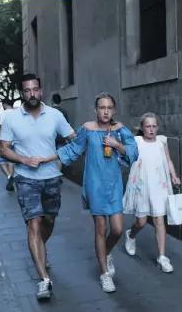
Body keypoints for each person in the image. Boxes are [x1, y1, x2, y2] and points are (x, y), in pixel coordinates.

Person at [43, 92, 138, 293]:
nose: (105, 111)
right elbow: (73, 150)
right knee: (100, 229)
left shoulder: (120, 130)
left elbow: (133, 152)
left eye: (109, 107)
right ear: (95, 110)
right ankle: (104, 274)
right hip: (94, 185)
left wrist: (116, 145)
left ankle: (106, 253)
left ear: (114, 110)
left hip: (113, 185)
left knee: (118, 230)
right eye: (101, 107)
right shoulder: (87, 129)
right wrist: (47, 158)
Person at [0, 73, 75, 300]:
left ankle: (41, 250)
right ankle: (44, 280)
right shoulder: (12, 118)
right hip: (25, 178)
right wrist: (23, 160)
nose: (32, 94)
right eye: (27, 91)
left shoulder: (55, 115)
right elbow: (3, 149)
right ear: (22, 93)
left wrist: (57, 157)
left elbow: (74, 140)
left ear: (41, 91)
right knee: (34, 224)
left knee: (49, 220)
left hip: (52, 177)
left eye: (35, 90)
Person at [123, 112, 181, 273]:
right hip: (142, 185)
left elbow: (168, 160)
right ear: (142, 128)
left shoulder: (162, 141)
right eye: (147, 126)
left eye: (154, 126)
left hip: (159, 185)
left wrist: (174, 175)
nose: (151, 129)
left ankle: (162, 257)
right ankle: (131, 235)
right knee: (141, 222)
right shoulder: (137, 141)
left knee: (159, 221)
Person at [0, 100, 16, 190]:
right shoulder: (18, 113)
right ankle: (10, 183)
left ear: (5, 104)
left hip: (5, 140)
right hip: (15, 140)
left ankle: (9, 176)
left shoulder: (4, 113)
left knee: (1, 161)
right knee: (11, 161)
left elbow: (1, 127)